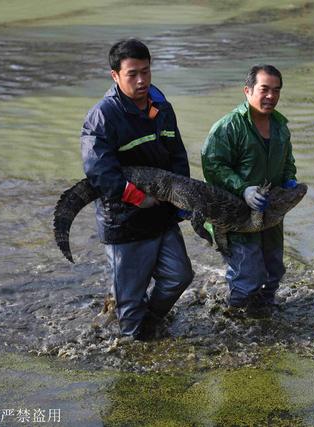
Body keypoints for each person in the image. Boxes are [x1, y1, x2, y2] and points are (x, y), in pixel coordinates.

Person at [80, 39, 194, 340]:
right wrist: (137, 197)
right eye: (132, 74)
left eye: (146, 71)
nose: (141, 80)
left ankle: (151, 322)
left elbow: (178, 157)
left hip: (161, 214)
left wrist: (179, 199)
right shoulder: (103, 116)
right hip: (124, 219)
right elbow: (99, 172)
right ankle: (133, 347)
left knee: (180, 276)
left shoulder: (162, 108)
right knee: (130, 301)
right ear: (115, 76)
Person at [201, 64, 297, 317]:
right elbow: (212, 164)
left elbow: (288, 161)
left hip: (270, 212)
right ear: (247, 90)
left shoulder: (280, 126)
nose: (271, 96)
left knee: (274, 270)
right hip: (235, 214)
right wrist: (243, 189)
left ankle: (263, 314)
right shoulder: (228, 127)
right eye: (264, 89)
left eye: (276, 91)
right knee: (248, 275)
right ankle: (235, 318)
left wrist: (290, 181)